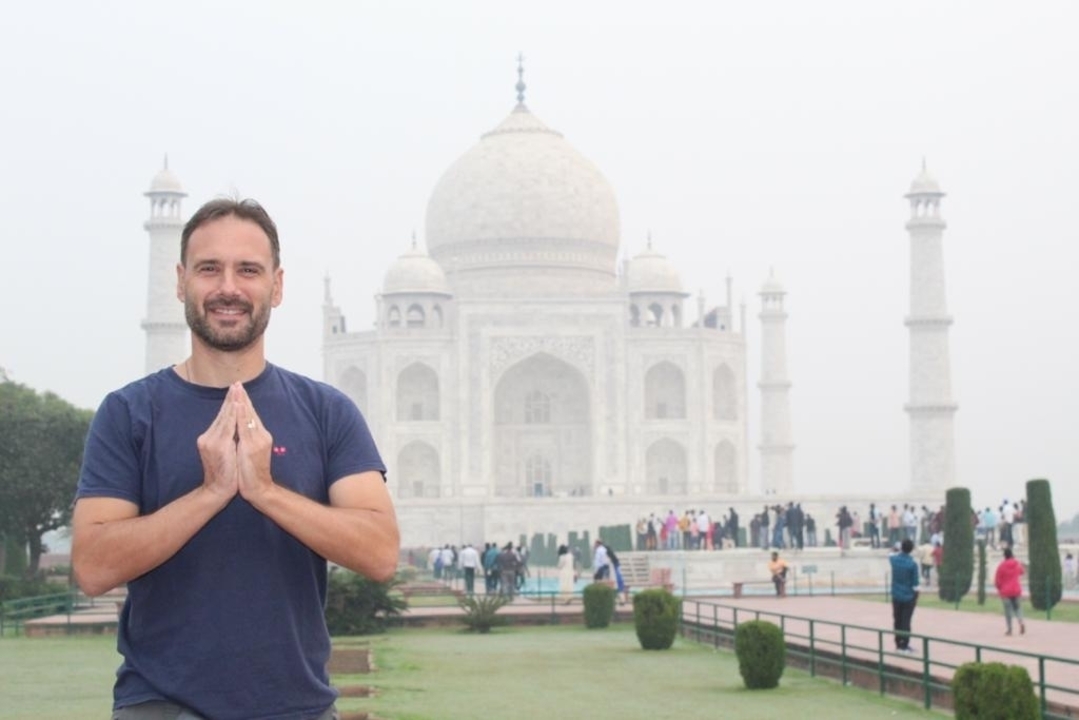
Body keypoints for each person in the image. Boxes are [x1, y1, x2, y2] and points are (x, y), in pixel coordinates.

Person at [70, 198, 400, 720]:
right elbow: (92, 566)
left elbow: (380, 553)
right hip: (162, 705)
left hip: (297, 705)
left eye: (248, 270)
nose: (228, 287)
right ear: (181, 282)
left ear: (277, 285)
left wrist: (265, 491)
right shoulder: (130, 413)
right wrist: (210, 493)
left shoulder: (325, 411)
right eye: (209, 269)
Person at [889, 538, 920, 654]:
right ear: (911, 550)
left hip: (896, 595)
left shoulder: (894, 560)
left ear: (901, 547)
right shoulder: (912, 564)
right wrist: (916, 597)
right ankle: (904, 645)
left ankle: (898, 644)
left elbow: (890, 552)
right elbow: (915, 584)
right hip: (908, 596)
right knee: (906, 621)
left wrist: (896, 548)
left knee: (897, 620)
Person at [994, 547, 1026, 636]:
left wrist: (999, 589)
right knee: (1018, 608)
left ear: (1004, 556)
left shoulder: (1001, 566)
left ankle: (1009, 629)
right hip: (1016, 590)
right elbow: (1022, 572)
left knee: (1008, 612)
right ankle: (1021, 621)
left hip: (1005, 591)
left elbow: (997, 580)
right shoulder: (1017, 563)